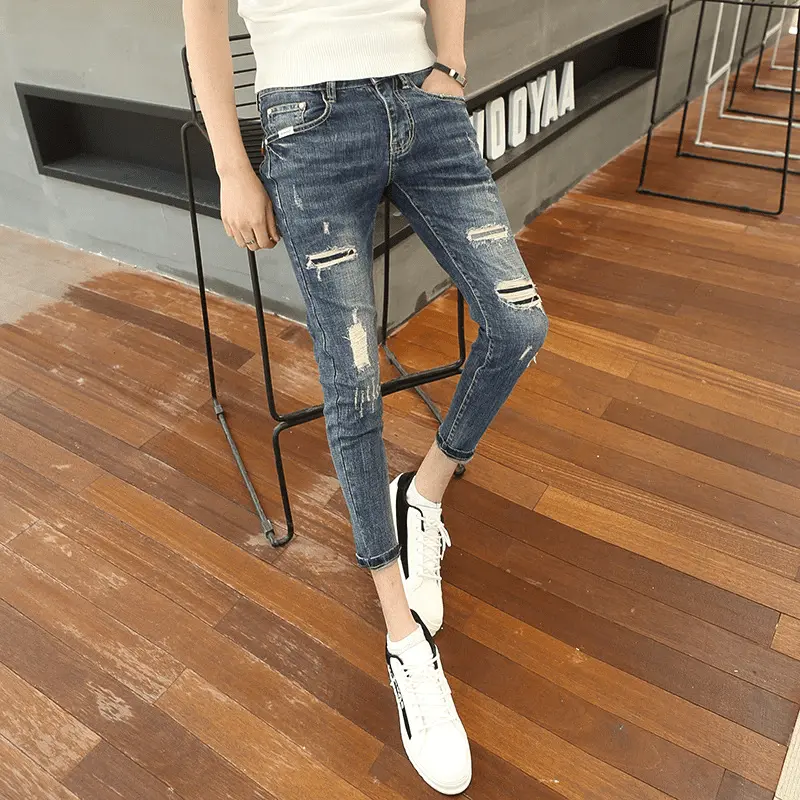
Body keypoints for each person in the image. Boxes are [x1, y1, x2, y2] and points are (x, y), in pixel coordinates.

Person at [182, 0, 548, 793]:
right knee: (352, 386)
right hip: (308, 125)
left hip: (423, 101)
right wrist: (232, 168)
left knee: (519, 324)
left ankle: (423, 493)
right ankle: (403, 640)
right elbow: (201, 14)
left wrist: (450, 63)